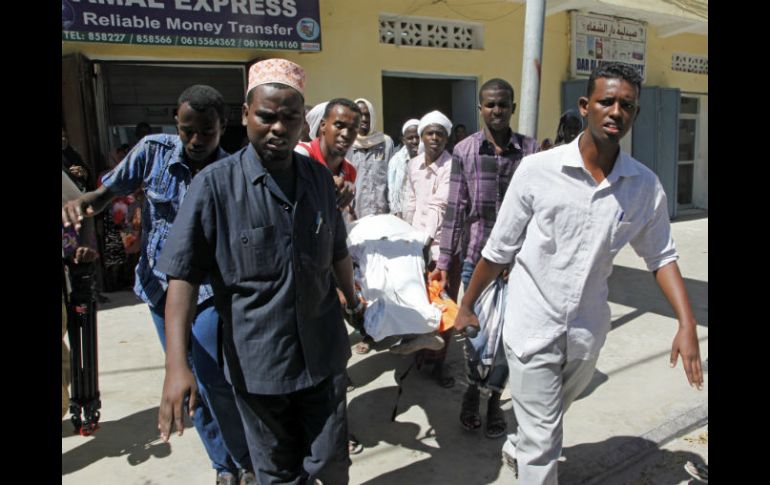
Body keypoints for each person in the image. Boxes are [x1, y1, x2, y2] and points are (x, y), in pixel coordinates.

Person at [454, 62, 704, 484]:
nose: (616, 111)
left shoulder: (643, 187)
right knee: (543, 443)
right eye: (607, 101)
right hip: (532, 326)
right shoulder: (538, 171)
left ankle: (520, 445)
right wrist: (466, 305)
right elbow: (498, 251)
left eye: (627, 105)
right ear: (586, 106)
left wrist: (687, 321)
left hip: (587, 332)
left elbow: (661, 256)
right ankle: (531, 455)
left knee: (546, 420)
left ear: (636, 114)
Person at [156, 58, 363, 485]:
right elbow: (183, 276)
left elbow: (336, 249)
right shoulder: (214, 186)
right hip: (260, 365)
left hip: (323, 353)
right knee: (278, 473)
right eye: (267, 116)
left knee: (330, 462)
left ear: (303, 122)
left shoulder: (319, 180)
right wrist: (176, 365)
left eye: (290, 118)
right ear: (246, 114)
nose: (278, 128)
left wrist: (353, 299)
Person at [62, 85, 255, 485]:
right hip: (158, 290)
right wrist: (83, 204)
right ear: (175, 121)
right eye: (187, 130)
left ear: (223, 126)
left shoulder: (231, 172)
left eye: (206, 132)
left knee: (212, 380)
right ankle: (223, 466)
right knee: (188, 382)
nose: (195, 140)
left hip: (205, 294)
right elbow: (105, 194)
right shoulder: (152, 151)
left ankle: (246, 462)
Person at [430, 78, 538, 438]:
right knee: (475, 336)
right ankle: (472, 393)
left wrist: (523, 255)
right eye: (490, 104)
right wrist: (443, 262)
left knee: (508, 340)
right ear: (480, 108)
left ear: (513, 108)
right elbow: (455, 209)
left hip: (519, 265)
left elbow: (539, 210)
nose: (497, 110)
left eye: (503, 104)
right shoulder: (465, 150)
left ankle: (494, 400)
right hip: (477, 260)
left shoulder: (530, 151)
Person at [296, 98, 360, 220]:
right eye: (339, 125)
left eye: (353, 129)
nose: (346, 134)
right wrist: (325, 187)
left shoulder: (350, 171)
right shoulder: (302, 155)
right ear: (323, 125)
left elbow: (340, 218)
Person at [349, 98, 394, 218]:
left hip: (383, 214)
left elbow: (393, 178)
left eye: (367, 115)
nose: (364, 119)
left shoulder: (385, 142)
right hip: (355, 215)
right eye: (359, 115)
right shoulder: (347, 144)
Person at [386, 118, 419, 219]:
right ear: (403, 140)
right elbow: (392, 190)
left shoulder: (430, 158)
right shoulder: (396, 161)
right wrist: (396, 212)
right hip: (401, 215)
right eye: (410, 138)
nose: (415, 141)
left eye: (418, 137)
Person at [62, 126, 90, 192]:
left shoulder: (73, 153)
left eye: (65, 136)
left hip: (79, 192)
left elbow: (86, 173)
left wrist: (83, 172)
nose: (63, 139)